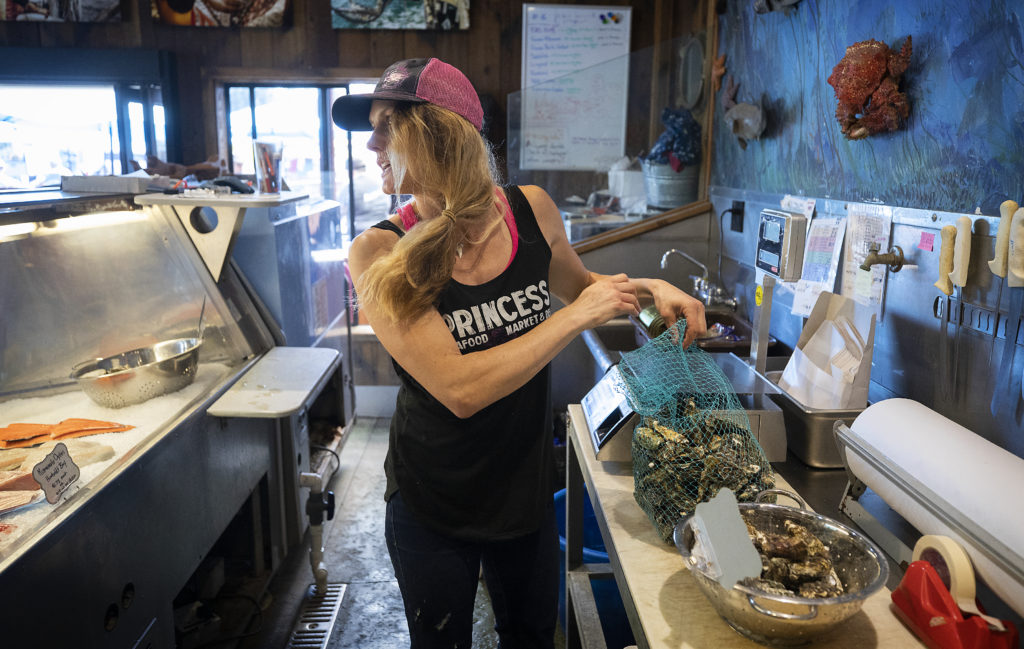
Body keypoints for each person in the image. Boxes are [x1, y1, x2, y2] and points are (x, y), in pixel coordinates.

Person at [332, 57, 706, 649]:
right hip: (434, 500)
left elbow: (580, 288)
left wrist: (649, 290)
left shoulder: (530, 210)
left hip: (523, 489)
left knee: (532, 637)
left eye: (386, 126)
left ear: (437, 133)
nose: (372, 145)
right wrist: (575, 319)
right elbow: (459, 389)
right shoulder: (378, 249)